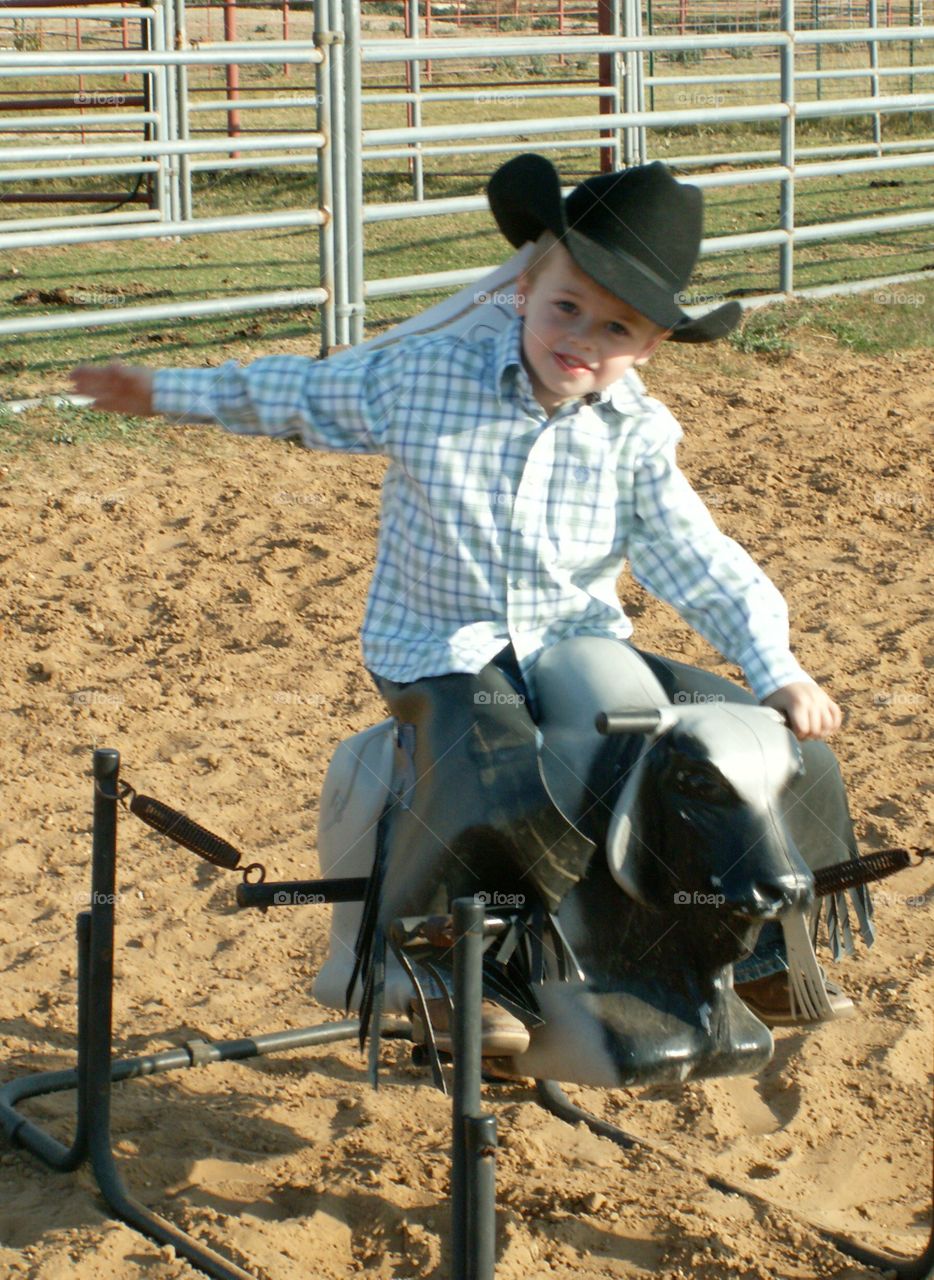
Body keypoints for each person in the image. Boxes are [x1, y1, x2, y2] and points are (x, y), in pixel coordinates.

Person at [70, 154, 872, 1055]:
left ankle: (761, 949)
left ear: (649, 346)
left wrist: (776, 670)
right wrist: (161, 392)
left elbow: (696, 556)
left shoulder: (638, 434)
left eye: (616, 328)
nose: (583, 339)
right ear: (528, 283)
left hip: (577, 645)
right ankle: (425, 969)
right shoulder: (423, 378)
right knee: (497, 770)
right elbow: (291, 392)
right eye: (567, 306)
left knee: (759, 747)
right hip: (441, 647)